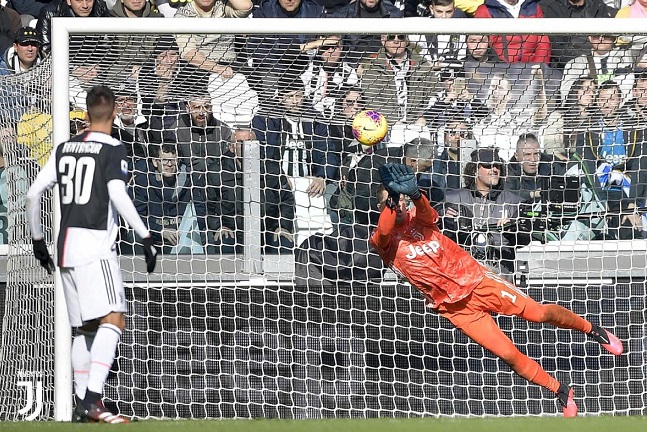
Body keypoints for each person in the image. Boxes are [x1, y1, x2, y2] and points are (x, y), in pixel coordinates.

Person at [370, 162, 623, 418]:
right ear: (381, 209)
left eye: (401, 200)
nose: (398, 205)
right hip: (456, 309)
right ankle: (559, 390)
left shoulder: (420, 220)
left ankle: (593, 331)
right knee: (509, 355)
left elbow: (427, 212)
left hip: (478, 282)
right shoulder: (383, 242)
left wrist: (414, 195)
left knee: (540, 314)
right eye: (391, 202)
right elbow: (383, 231)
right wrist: (392, 197)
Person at [25, 85, 158, 423]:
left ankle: (84, 408)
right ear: (114, 113)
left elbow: (32, 193)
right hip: (96, 246)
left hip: (64, 246)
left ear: (85, 114)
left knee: (85, 329)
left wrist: (38, 241)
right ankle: (92, 399)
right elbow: (116, 191)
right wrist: (144, 234)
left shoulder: (63, 148)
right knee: (114, 318)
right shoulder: (114, 148)